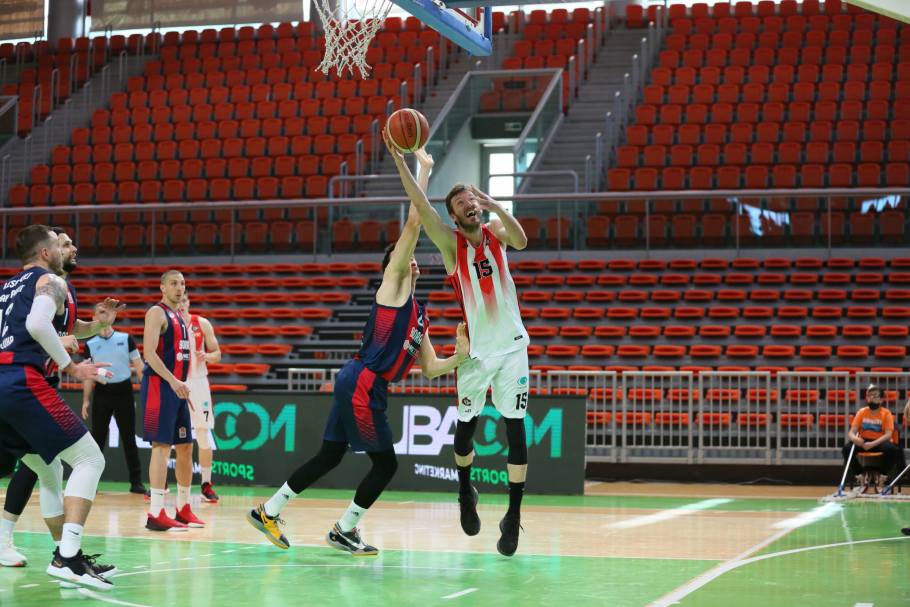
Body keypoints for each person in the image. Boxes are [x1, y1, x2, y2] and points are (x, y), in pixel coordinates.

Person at [247, 145, 468, 556]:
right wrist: (421, 168)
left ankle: (269, 511)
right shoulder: (392, 288)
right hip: (364, 382)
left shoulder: (419, 314)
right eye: (403, 257)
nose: (411, 260)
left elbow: (432, 368)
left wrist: (462, 355)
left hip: (361, 382)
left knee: (330, 455)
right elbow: (415, 222)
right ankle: (344, 529)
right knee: (386, 464)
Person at [388, 129, 531, 556]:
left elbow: (522, 240)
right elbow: (420, 206)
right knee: (465, 432)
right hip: (475, 355)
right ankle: (466, 490)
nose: (470, 205)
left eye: (472, 199)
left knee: (516, 429)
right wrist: (402, 161)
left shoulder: (497, 233)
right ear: (453, 216)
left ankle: (513, 515)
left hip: (512, 349)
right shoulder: (451, 248)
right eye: (462, 203)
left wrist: (498, 207)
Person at [0, 224, 118, 589]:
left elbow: (42, 325)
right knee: (90, 459)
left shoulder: (9, 287)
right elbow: (38, 324)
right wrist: (72, 367)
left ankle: (64, 552)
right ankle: (67, 557)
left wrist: (94, 326)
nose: (71, 248)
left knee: (48, 469)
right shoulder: (50, 281)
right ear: (46, 252)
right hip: (22, 381)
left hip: (6, 383)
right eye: (61, 243)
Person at [142, 270, 204, 531]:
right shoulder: (156, 312)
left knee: (186, 447)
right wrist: (173, 381)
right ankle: (156, 512)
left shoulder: (180, 316)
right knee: (161, 446)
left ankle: (183, 508)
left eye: (182, 284)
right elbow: (149, 354)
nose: (179, 288)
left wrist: (183, 386)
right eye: (174, 283)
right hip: (160, 386)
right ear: (162, 287)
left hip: (177, 389)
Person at [82, 303, 146, 495]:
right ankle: (90, 483)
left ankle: (136, 482)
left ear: (112, 315)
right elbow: (88, 374)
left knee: (129, 438)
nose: (103, 315)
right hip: (102, 393)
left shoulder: (126, 339)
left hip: (124, 392)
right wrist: (86, 400)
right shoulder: (90, 344)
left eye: (106, 312)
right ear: (94, 317)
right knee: (97, 440)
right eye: (100, 312)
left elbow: (139, 367)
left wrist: (147, 392)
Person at [176, 294, 222, 503]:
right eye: (178, 301)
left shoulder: (202, 323)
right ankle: (161, 485)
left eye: (184, 300)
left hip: (199, 384)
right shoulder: (168, 324)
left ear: (188, 303)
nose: (181, 304)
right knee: (170, 434)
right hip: (177, 382)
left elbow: (217, 354)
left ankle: (206, 484)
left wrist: (207, 356)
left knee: (203, 433)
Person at [842, 384, 901, 486]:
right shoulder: (861, 412)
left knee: (893, 450)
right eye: (869, 396)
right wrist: (855, 439)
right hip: (863, 441)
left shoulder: (886, 413)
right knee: (846, 449)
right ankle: (859, 474)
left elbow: (888, 434)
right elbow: (851, 432)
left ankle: (883, 475)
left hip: (879, 441)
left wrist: (873, 444)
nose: (871, 398)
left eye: (875, 396)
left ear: (881, 400)